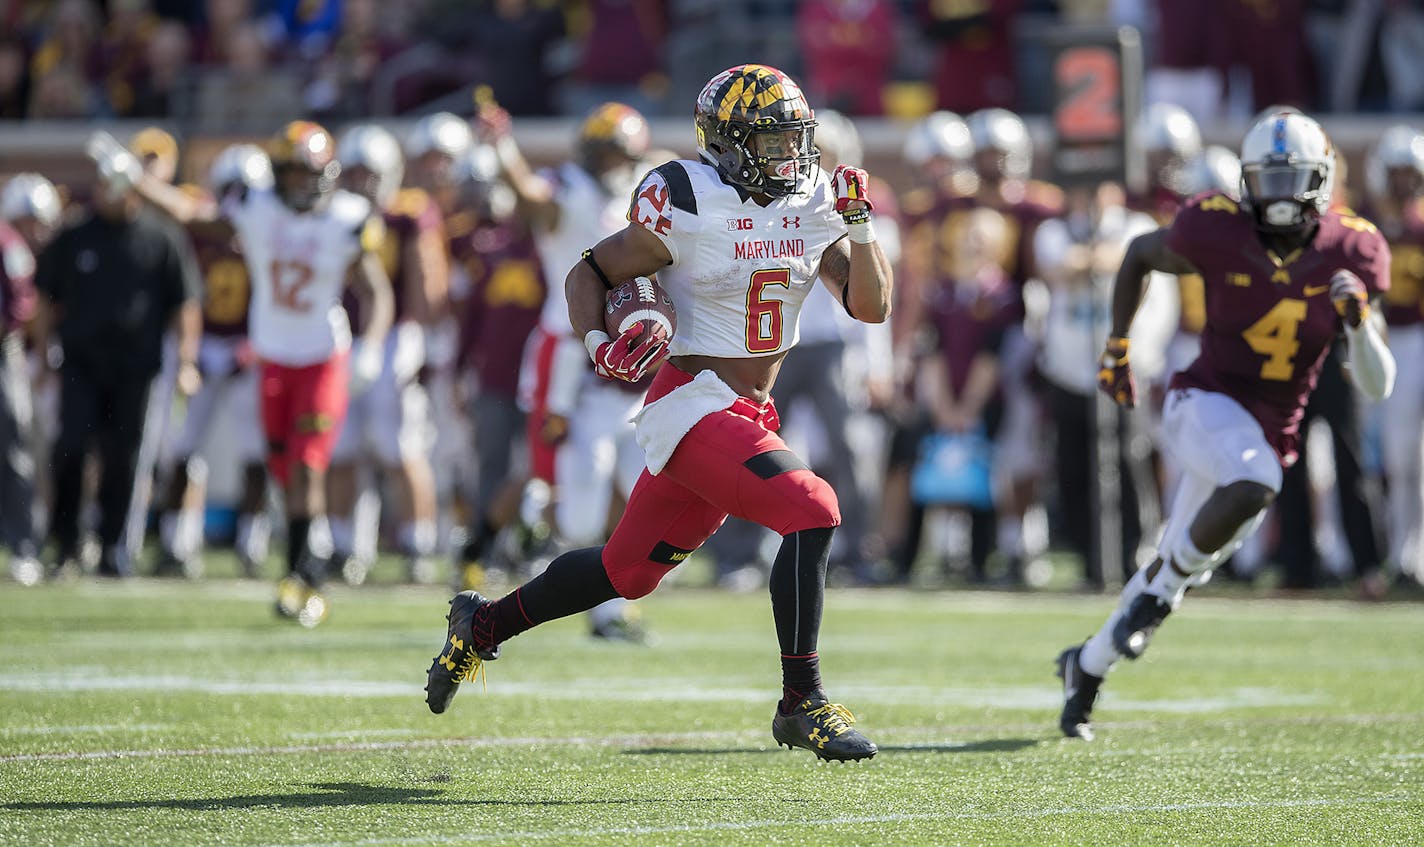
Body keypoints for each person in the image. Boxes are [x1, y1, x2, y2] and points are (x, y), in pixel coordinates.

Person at [424, 63, 893, 762]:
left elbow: (870, 306)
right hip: (691, 401)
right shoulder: (688, 197)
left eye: (795, 140)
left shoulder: (816, 200)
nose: (790, 157)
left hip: (748, 411)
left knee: (627, 571)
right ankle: (804, 699)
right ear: (729, 145)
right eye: (771, 142)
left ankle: (481, 623)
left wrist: (861, 229)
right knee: (813, 507)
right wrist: (594, 342)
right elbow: (589, 271)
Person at [1056, 110, 1397, 741]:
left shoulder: (1353, 247)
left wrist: (1357, 323)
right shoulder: (1216, 226)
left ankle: (1087, 666)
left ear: (1320, 181)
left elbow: (1378, 385)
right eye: (1265, 180)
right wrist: (1118, 344)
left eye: (1291, 179)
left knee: (1182, 562)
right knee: (1252, 484)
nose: (1277, 196)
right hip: (1203, 401)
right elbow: (1138, 254)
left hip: (1272, 426)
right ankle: (1151, 605)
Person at [116, 120, 393, 623]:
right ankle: (309, 559)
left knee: (309, 464)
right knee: (284, 471)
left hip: (322, 357)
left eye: (307, 174)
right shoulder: (256, 208)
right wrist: (136, 181)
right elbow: (191, 214)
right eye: (290, 174)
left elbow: (376, 291)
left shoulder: (349, 217)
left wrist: (371, 346)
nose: (301, 185)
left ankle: (298, 576)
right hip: (272, 357)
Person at [476, 100, 661, 640]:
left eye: (621, 154)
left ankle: (607, 604)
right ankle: (535, 536)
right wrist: (503, 148)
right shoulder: (570, 191)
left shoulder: (646, 193)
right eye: (605, 153)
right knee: (569, 491)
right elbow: (533, 196)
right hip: (571, 353)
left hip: (632, 357)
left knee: (638, 487)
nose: (612, 164)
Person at [36, 140, 203, 578]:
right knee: (70, 449)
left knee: (125, 458)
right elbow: (46, 300)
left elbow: (184, 304)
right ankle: (67, 543)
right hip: (81, 363)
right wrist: (40, 354)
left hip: (136, 366)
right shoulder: (74, 236)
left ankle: (113, 547)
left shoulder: (161, 237)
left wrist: (186, 361)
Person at [326, 123, 448, 584]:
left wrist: (423, 342)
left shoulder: (407, 215)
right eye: (352, 172)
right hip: (340, 337)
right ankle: (342, 545)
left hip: (395, 337)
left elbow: (423, 279)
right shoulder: (332, 213)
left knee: (400, 447)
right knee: (343, 449)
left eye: (369, 172)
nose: (361, 181)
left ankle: (418, 544)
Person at [153, 143, 274, 579]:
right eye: (232, 188)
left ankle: (252, 543)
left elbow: (274, 299)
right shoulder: (200, 230)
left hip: (249, 346)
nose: (238, 198)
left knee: (255, 454)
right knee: (183, 449)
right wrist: (191, 352)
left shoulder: (268, 231)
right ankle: (176, 541)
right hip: (201, 348)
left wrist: (252, 349)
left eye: (246, 189)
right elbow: (182, 294)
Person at [1359, 124, 1424, 592]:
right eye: (1396, 173)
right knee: (1375, 454)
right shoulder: (1367, 223)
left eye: (1410, 173)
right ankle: (1372, 551)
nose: (1403, 183)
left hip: (1414, 337)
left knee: (1406, 456)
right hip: (1373, 338)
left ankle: (1409, 552)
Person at [0, 214, 39, 584]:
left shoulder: (6, 239)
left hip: (2, 350)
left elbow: (22, 300)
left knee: (13, 447)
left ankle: (24, 545)